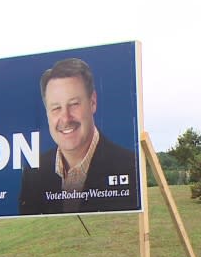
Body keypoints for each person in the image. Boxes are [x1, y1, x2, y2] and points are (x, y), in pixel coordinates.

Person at [18, 58, 139, 214]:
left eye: (74, 104)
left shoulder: (130, 166)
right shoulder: (33, 173)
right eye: (56, 108)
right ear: (47, 112)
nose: (66, 118)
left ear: (92, 102)